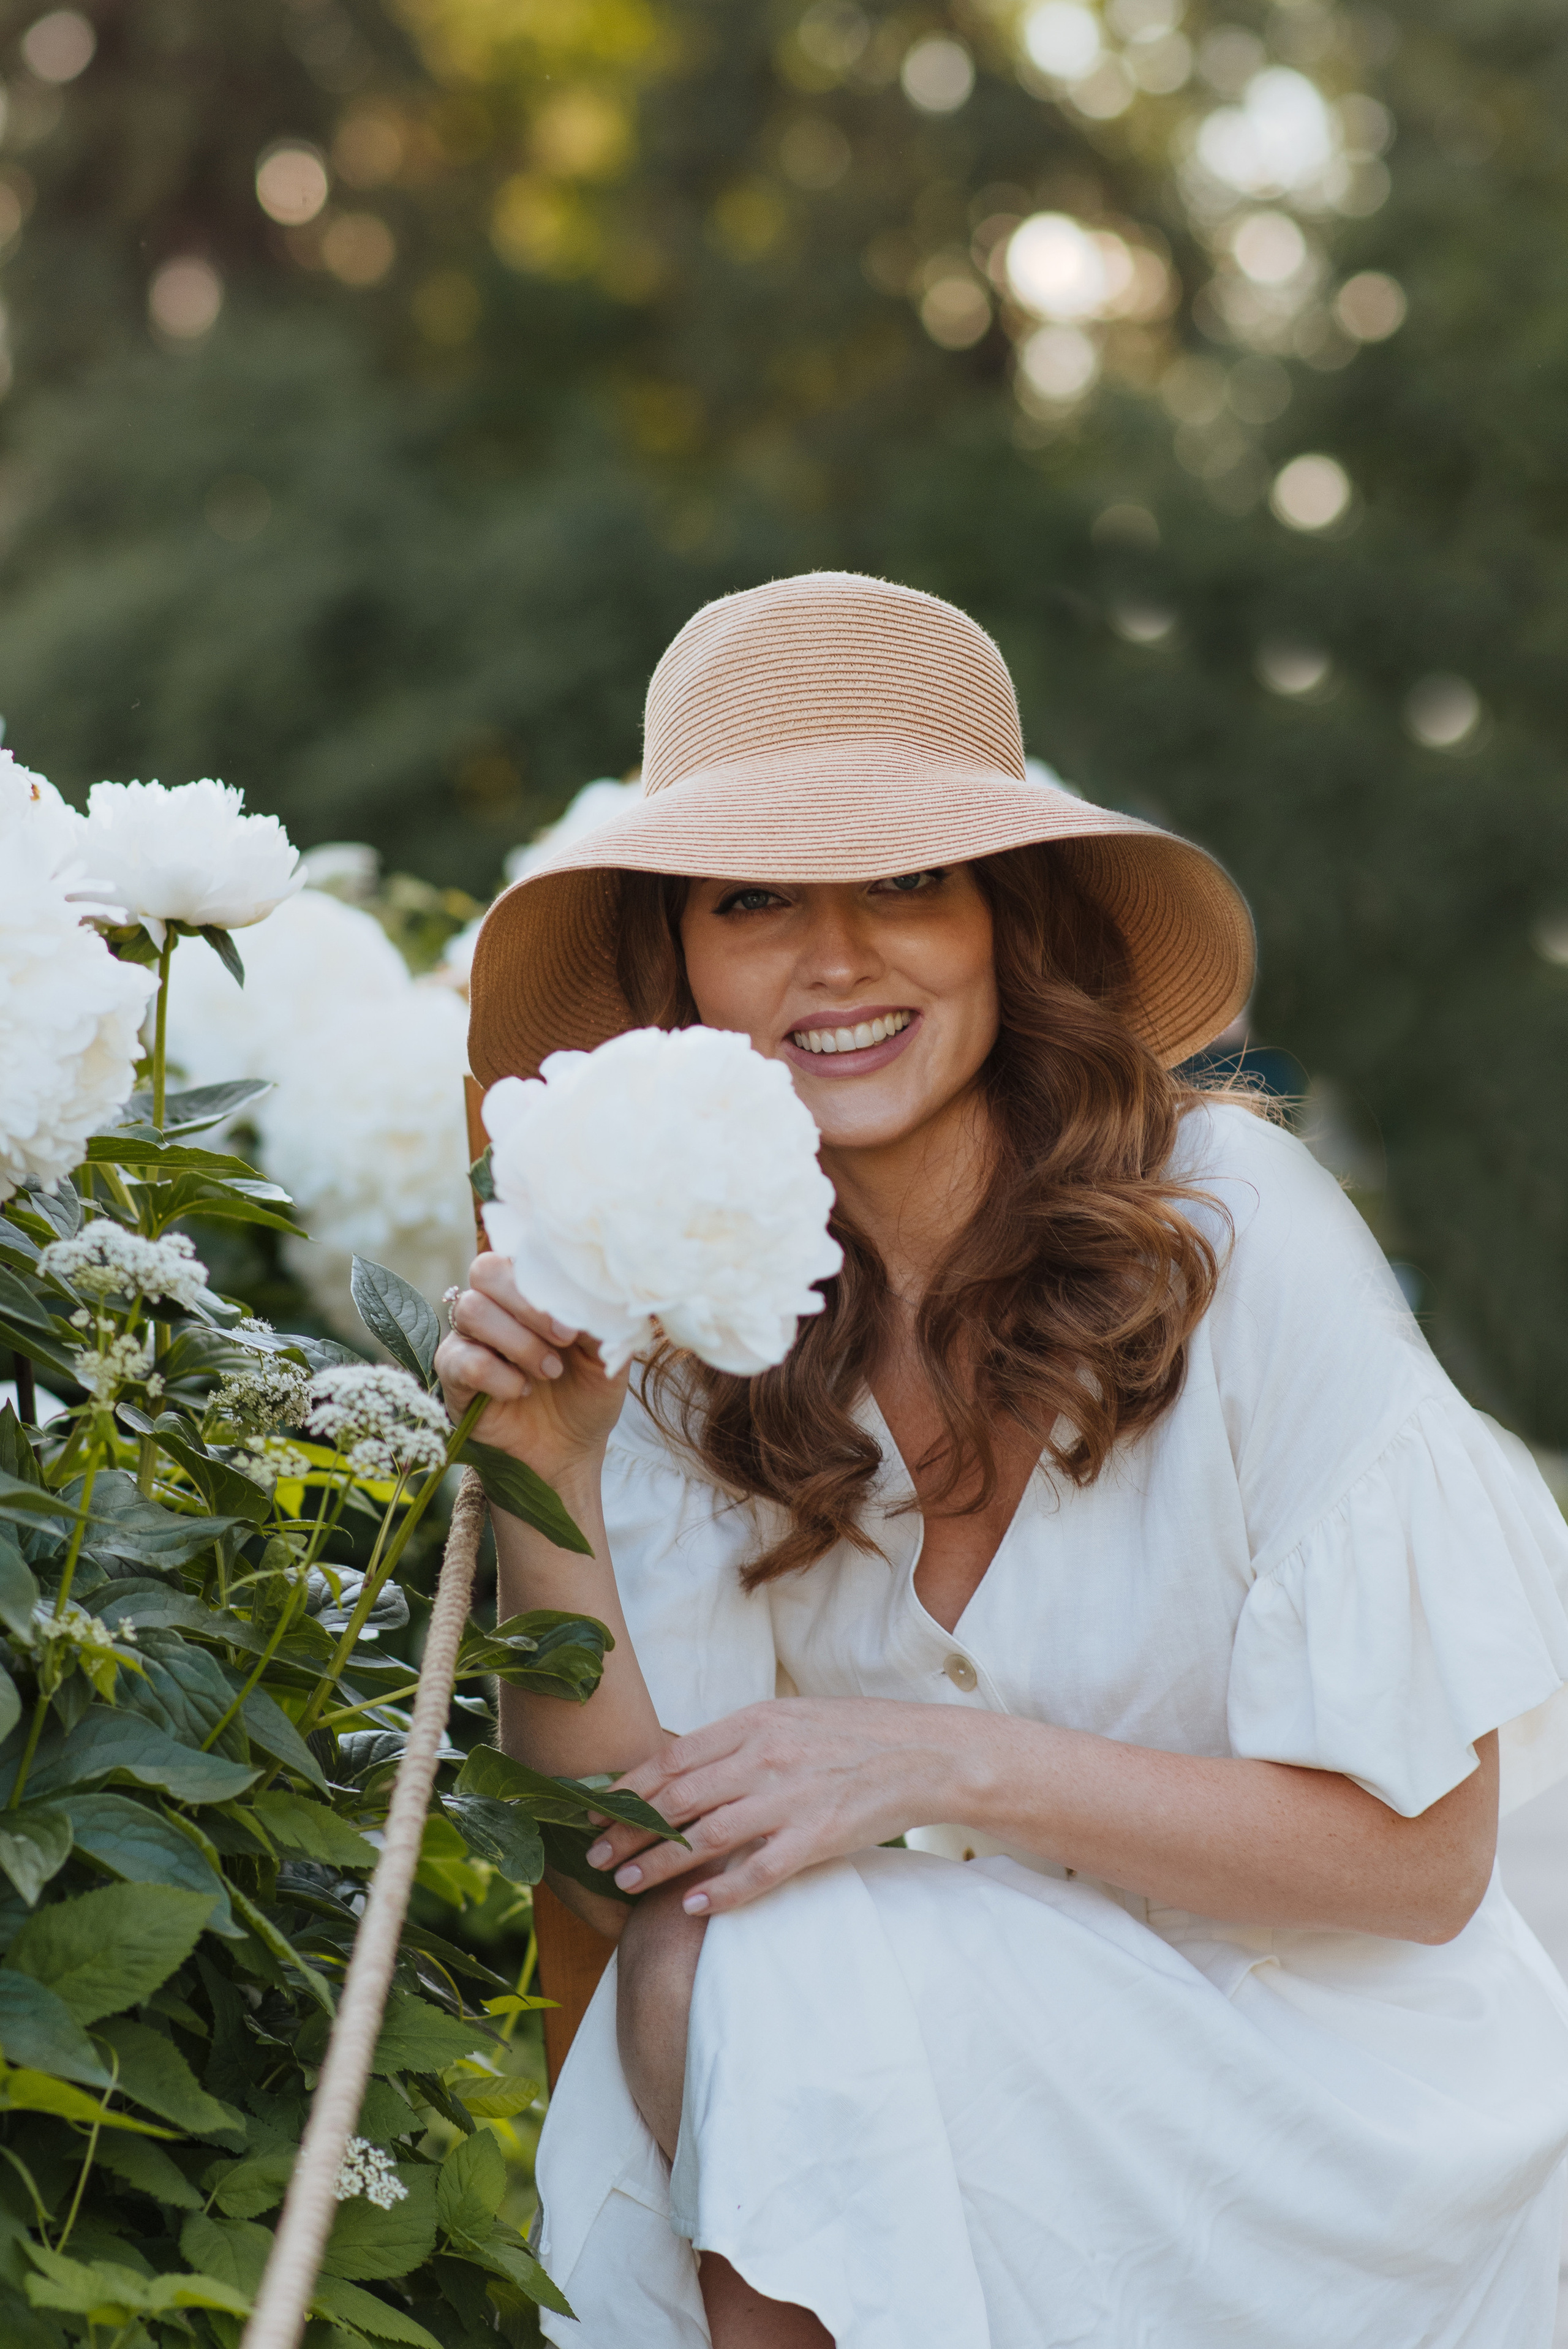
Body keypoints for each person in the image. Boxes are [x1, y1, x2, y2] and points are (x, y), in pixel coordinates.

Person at [440, 572, 1568, 2349]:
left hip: (1342, 2111)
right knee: (729, 1952)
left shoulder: (1233, 1223)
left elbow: (1425, 1861)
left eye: (906, 882)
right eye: (754, 900)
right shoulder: (678, 1307)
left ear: (1004, 921)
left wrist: (939, 1760)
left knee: (793, 1967)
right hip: (978, 2090)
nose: (836, 960)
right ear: (681, 964)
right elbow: (628, 1865)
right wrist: (547, 1469)